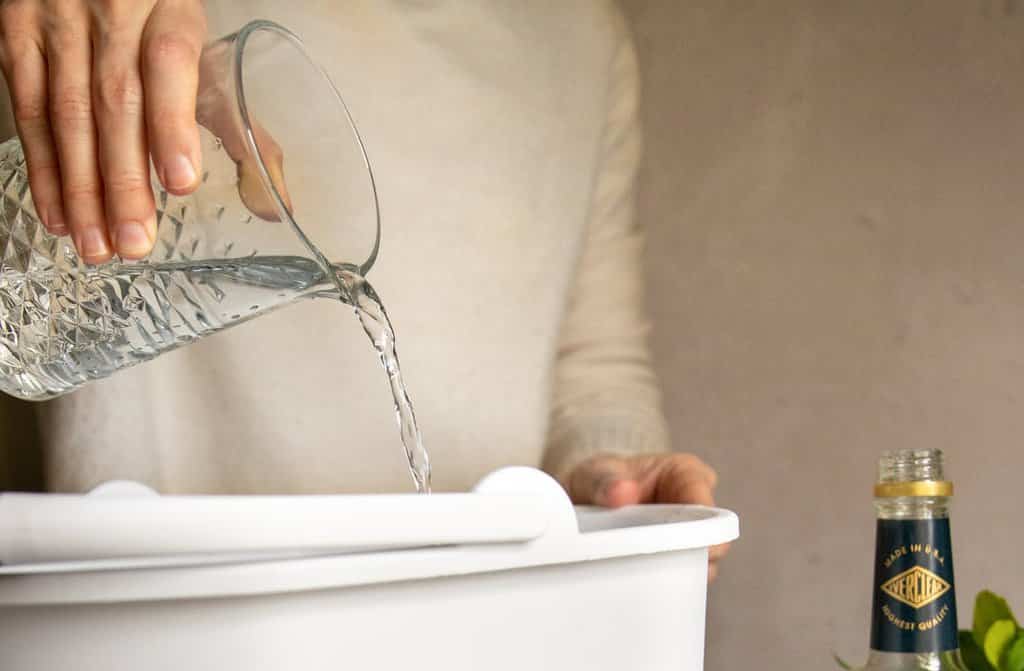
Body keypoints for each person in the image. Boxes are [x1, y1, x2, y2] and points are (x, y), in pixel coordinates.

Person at [0, 0, 728, 576]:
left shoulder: (581, 35)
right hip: (141, 623)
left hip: (467, 635)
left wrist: (613, 477)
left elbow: (595, 366)